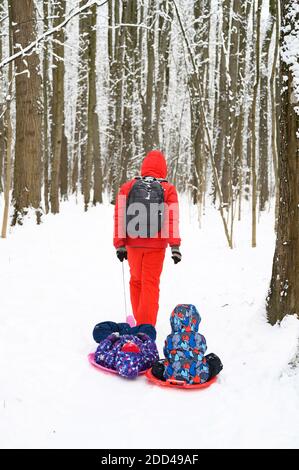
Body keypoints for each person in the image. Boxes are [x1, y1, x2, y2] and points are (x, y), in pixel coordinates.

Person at [113, 149, 181, 326]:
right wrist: (175, 246)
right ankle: (146, 329)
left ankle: (139, 323)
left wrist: (120, 244)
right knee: (150, 285)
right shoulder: (168, 189)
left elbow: (119, 216)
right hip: (156, 247)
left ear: (144, 167)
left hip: (132, 243)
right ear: (163, 169)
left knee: (136, 282)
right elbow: (172, 218)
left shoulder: (128, 187)